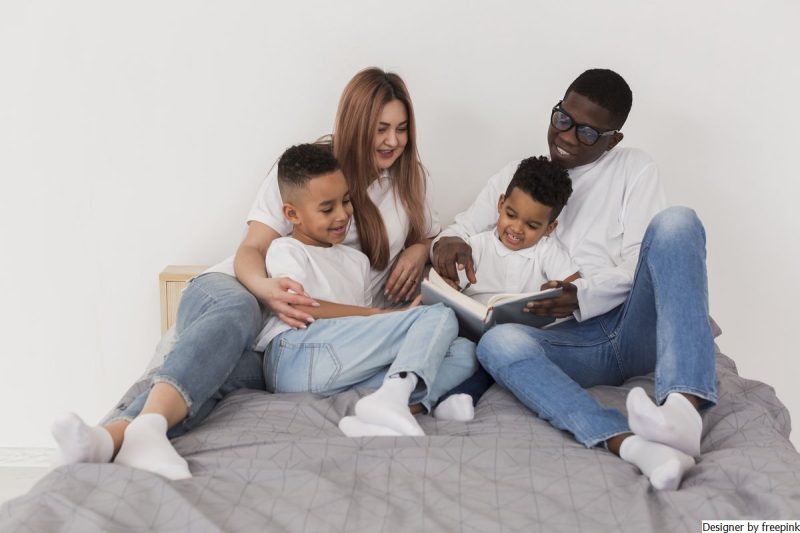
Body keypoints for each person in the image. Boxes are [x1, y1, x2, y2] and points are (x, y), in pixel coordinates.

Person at [50, 67, 444, 479]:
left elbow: (430, 235)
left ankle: (109, 439)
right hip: (238, 287)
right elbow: (252, 250)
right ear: (357, 123)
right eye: (381, 128)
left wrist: (418, 248)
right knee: (239, 311)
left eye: (402, 129)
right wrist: (265, 290)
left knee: (215, 377)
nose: (393, 141)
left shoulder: (408, 180)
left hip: (289, 334)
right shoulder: (310, 170)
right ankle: (146, 429)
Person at [432, 68, 716, 491]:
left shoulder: (633, 168)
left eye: (587, 133)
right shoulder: (520, 174)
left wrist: (581, 294)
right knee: (497, 343)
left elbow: (644, 260)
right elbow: (460, 227)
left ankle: (682, 409)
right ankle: (633, 446)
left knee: (678, 222)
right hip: (572, 345)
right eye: (563, 119)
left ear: (613, 139)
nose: (566, 136)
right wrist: (446, 244)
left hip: (629, 326)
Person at [261, 143, 475, 437]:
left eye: (346, 202)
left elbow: (362, 336)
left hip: (339, 369)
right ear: (292, 214)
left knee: (464, 350)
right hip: (294, 356)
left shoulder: (355, 261)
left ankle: (389, 409)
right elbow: (298, 306)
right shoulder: (286, 249)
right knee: (438, 316)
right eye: (327, 208)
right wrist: (380, 315)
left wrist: (391, 318)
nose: (342, 215)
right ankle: (399, 400)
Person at [433, 155, 580, 419]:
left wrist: (558, 290)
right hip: (468, 331)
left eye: (532, 225)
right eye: (511, 215)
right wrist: (448, 287)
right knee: (457, 348)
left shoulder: (548, 252)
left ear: (550, 228)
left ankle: (462, 396)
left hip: (513, 339)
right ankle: (420, 391)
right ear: (501, 204)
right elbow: (451, 285)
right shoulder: (476, 246)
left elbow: (574, 287)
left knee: (504, 357)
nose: (516, 229)